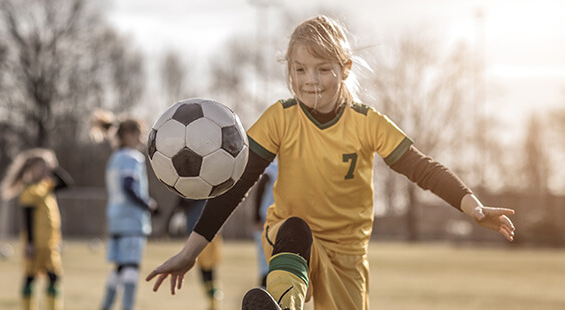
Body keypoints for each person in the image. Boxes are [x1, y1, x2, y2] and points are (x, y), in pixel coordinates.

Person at [145, 15, 516, 310]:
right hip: (290, 239)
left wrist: (474, 206)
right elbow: (237, 184)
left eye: (323, 69)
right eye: (300, 69)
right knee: (294, 230)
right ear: (289, 70)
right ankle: (281, 306)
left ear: (345, 68)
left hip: (348, 256)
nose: (311, 81)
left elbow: (422, 168)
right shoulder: (280, 118)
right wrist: (190, 252)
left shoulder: (368, 123)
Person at [91, 109, 159, 310]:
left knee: (119, 268)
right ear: (129, 134)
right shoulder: (132, 157)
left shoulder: (115, 158)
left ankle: (106, 306)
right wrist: (147, 204)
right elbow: (128, 186)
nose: (141, 139)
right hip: (131, 221)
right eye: (139, 133)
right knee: (131, 268)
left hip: (115, 219)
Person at [0, 148, 73, 310]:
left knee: (54, 277)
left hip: (50, 244)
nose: (45, 170)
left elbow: (67, 183)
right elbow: (27, 219)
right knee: (30, 278)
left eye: (47, 167)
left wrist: (53, 167)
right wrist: (30, 243)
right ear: (31, 169)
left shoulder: (48, 187)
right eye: (41, 167)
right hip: (35, 245)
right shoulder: (29, 191)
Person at [179, 197, 224, 310]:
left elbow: (186, 200)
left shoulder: (199, 187)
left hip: (204, 231)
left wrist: (178, 210)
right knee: (205, 268)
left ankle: (214, 300)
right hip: (201, 230)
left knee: (207, 269)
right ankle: (213, 300)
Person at [253, 161, 277, 288]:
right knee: (267, 262)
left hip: (271, 220)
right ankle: (265, 292)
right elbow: (260, 190)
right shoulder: (272, 169)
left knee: (267, 262)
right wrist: (257, 217)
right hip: (267, 220)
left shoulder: (273, 168)